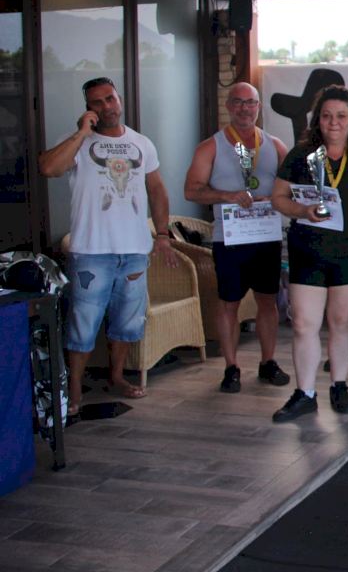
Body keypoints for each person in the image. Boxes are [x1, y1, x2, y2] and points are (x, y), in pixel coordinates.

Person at [37, 77, 176, 415]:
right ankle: (73, 387)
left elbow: (157, 190)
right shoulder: (76, 143)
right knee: (83, 322)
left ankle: (116, 376)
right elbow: (49, 168)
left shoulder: (142, 143)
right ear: (88, 108)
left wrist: (162, 235)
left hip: (134, 251)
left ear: (120, 100)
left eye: (110, 99)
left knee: (127, 322)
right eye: (97, 102)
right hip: (91, 251)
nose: (106, 107)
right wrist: (82, 133)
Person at [269, 85, 348, 422]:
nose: (334, 122)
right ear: (317, 119)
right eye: (327, 116)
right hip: (308, 250)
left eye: (341, 116)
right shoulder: (299, 155)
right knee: (304, 324)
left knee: (341, 323)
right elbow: (278, 198)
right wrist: (302, 211)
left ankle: (339, 386)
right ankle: (305, 393)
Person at [183, 82, 291, 393]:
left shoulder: (275, 145)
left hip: (265, 237)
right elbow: (191, 190)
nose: (245, 109)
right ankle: (231, 367)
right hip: (229, 239)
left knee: (267, 301)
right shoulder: (210, 147)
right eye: (239, 102)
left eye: (251, 102)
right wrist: (227, 195)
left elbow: (293, 188)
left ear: (258, 107)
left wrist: (276, 198)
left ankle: (268, 362)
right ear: (229, 106)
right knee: (229, 303)